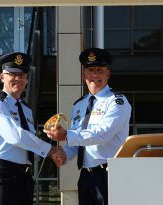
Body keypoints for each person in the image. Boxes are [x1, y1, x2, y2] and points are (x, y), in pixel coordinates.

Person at [45, 48, 132, 205]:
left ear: (108, 73)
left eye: (100, 70)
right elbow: (80, 141)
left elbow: (101, 134)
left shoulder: (117, 102)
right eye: (90, 70)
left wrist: (65, 135)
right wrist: (64, 154)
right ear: (84, 74)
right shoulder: (79, 104)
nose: (95, 75)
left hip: (109, 174)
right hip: (85, 176)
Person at [0, 52, 59, 205]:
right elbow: (15, 136)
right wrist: (51, 150)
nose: (18, 79)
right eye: (13, 74)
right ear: (2, 77)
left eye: (22, 75)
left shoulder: (26, 109)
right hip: (3, 174)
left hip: (24, 176)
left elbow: (26, 144)